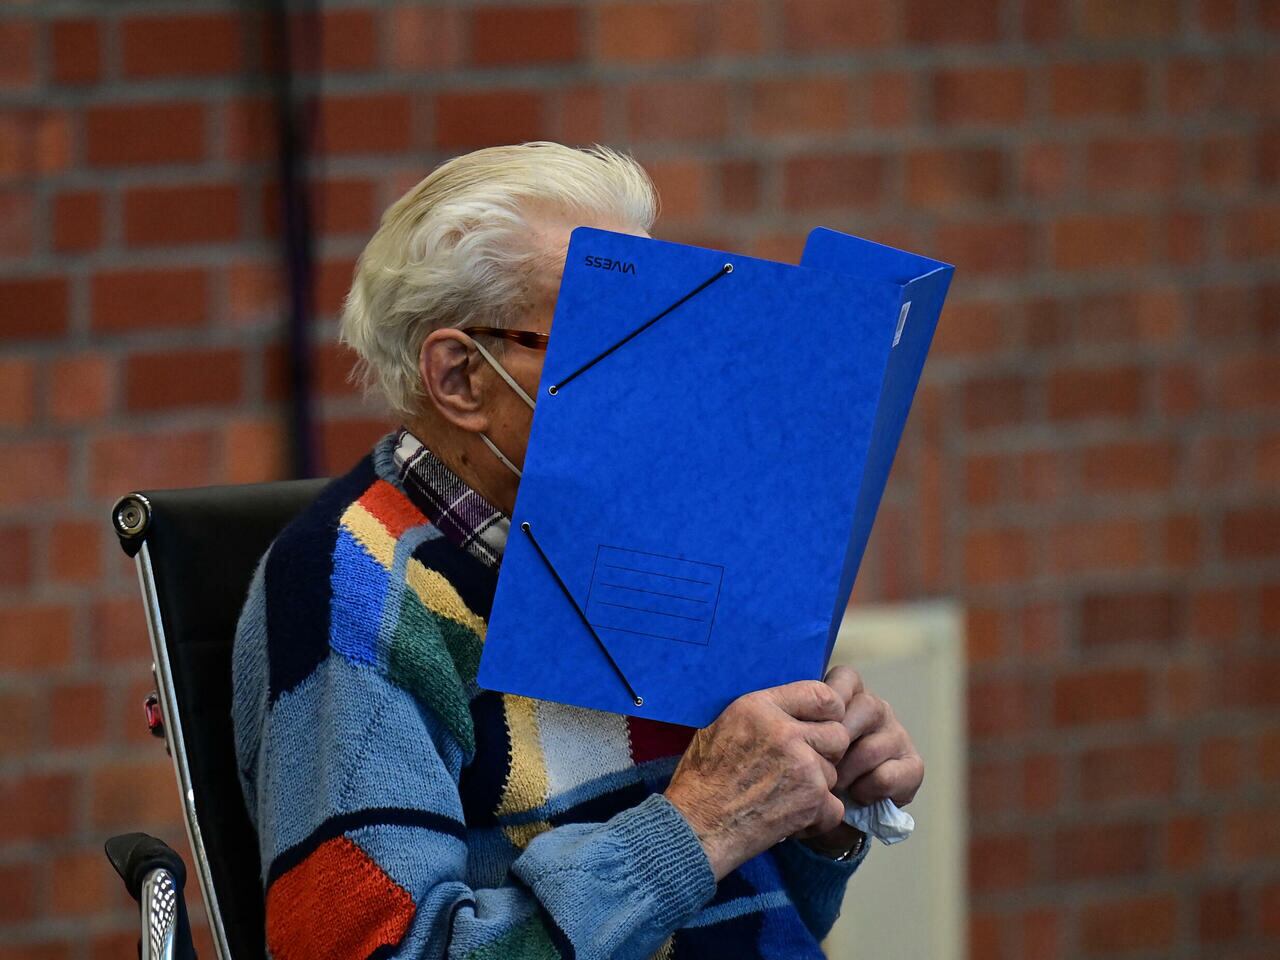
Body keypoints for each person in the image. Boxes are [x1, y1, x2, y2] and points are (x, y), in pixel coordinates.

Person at [232, 142, 924, 960]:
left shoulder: (654, 539)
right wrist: (697, 827)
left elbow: (755, 917)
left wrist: (813, 815)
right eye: (615, 337)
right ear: (461, 378)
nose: (660, 385)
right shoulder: (353, 586)